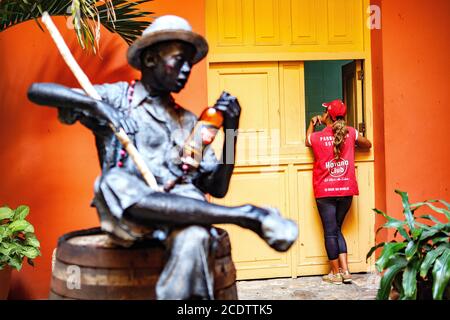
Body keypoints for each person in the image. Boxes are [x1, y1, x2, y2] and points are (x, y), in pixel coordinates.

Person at [27, 15, 298, 299]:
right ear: (150, 60)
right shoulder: (119, 98)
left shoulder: (190, 122)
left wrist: (231, 131)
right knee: (114, 181)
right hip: (128, 215)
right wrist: (98, 108)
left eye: (190, 65)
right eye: (179, 60)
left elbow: (216, 188)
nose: (186, 71)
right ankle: (244, 215)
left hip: (179, 215)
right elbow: (38, 92)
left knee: (195, 237)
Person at [305, 99, 371, 284]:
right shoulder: (350, 133)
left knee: (330, 232)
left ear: (328, 117)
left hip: (325, 192)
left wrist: (312, 124)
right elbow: (368, 144)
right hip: (345, 189)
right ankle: (346, 272)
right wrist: (354, 143)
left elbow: (306, 140)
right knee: (336, 229)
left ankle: (335, 273)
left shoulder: (318, 136)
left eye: (325, 112)